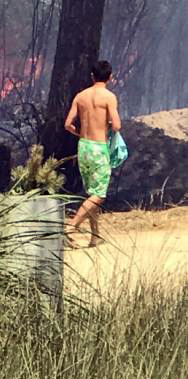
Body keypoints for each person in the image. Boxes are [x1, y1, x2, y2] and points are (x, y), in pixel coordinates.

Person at [63, 59, 121, 248]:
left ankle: (95, 236)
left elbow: (68, 124)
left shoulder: (80, 96)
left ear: (92, 76)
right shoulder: (109, 97)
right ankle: (70, 228)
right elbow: (117, 125)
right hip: (98, 146)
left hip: (83, 146)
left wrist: (80, 133)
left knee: (91, 193)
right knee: (99, 194)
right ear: (110, 77)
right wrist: (108, 126)